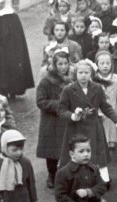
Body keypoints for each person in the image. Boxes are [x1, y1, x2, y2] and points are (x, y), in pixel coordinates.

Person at [58, 59, 117, 199]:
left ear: (91, 73)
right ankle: (76, 188)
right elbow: (61, 110)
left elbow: (105, 106)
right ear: (76, 74)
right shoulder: (68, 90)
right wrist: (73, 115)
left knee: (95, 158)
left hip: (94, 128)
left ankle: (97, 192)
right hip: (76, 128)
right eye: (80, 72)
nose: (83, 76)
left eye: (86, 72)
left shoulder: (97, 88)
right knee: (78, 157)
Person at [0, 0, 34, 98]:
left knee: (12, 68)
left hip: (11, 49)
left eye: (2, 3)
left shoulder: (13, 16)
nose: (0, 5)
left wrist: (17, 49)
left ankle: (13, 90)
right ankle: (1, 90)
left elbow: (18, 36)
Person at [36, 51, 73, 189]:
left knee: (66, 148)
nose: (63, 67)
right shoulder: (46, 82)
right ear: (54, 65)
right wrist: (60, 104)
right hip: (51, 121)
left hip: (67, 120)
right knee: (51, 151)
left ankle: (66, 175)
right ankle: (52, 175)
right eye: (60, 64)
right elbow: (40, 102)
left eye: (65, 63)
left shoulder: (71, 80)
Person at [94, 50, 117, 149]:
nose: (105, 66)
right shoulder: (93, 79)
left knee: (111, 141)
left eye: (108, 63)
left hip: (112, 110)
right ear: (96, 64)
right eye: (102, 63)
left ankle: (112, 143)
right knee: (100, 139)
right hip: (100, 112)